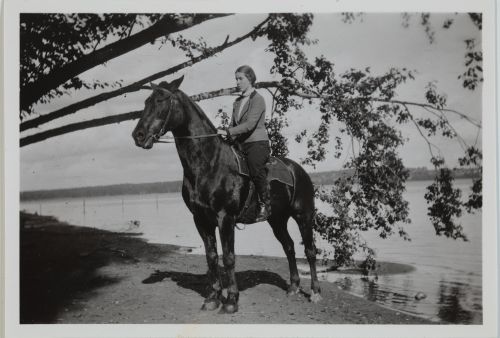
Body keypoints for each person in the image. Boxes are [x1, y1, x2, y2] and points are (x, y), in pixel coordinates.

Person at [217, 65, 271, 222]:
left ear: (250, 79)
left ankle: (265, 204)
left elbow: (249, 124)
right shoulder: (237, 102)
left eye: (241, 79)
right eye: (236, 79)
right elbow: (234, 125)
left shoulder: (258, 99)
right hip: (240, 143)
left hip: (257, 143)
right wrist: (225, 132)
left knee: (255, 170)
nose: (237, 82)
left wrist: (228, 132)